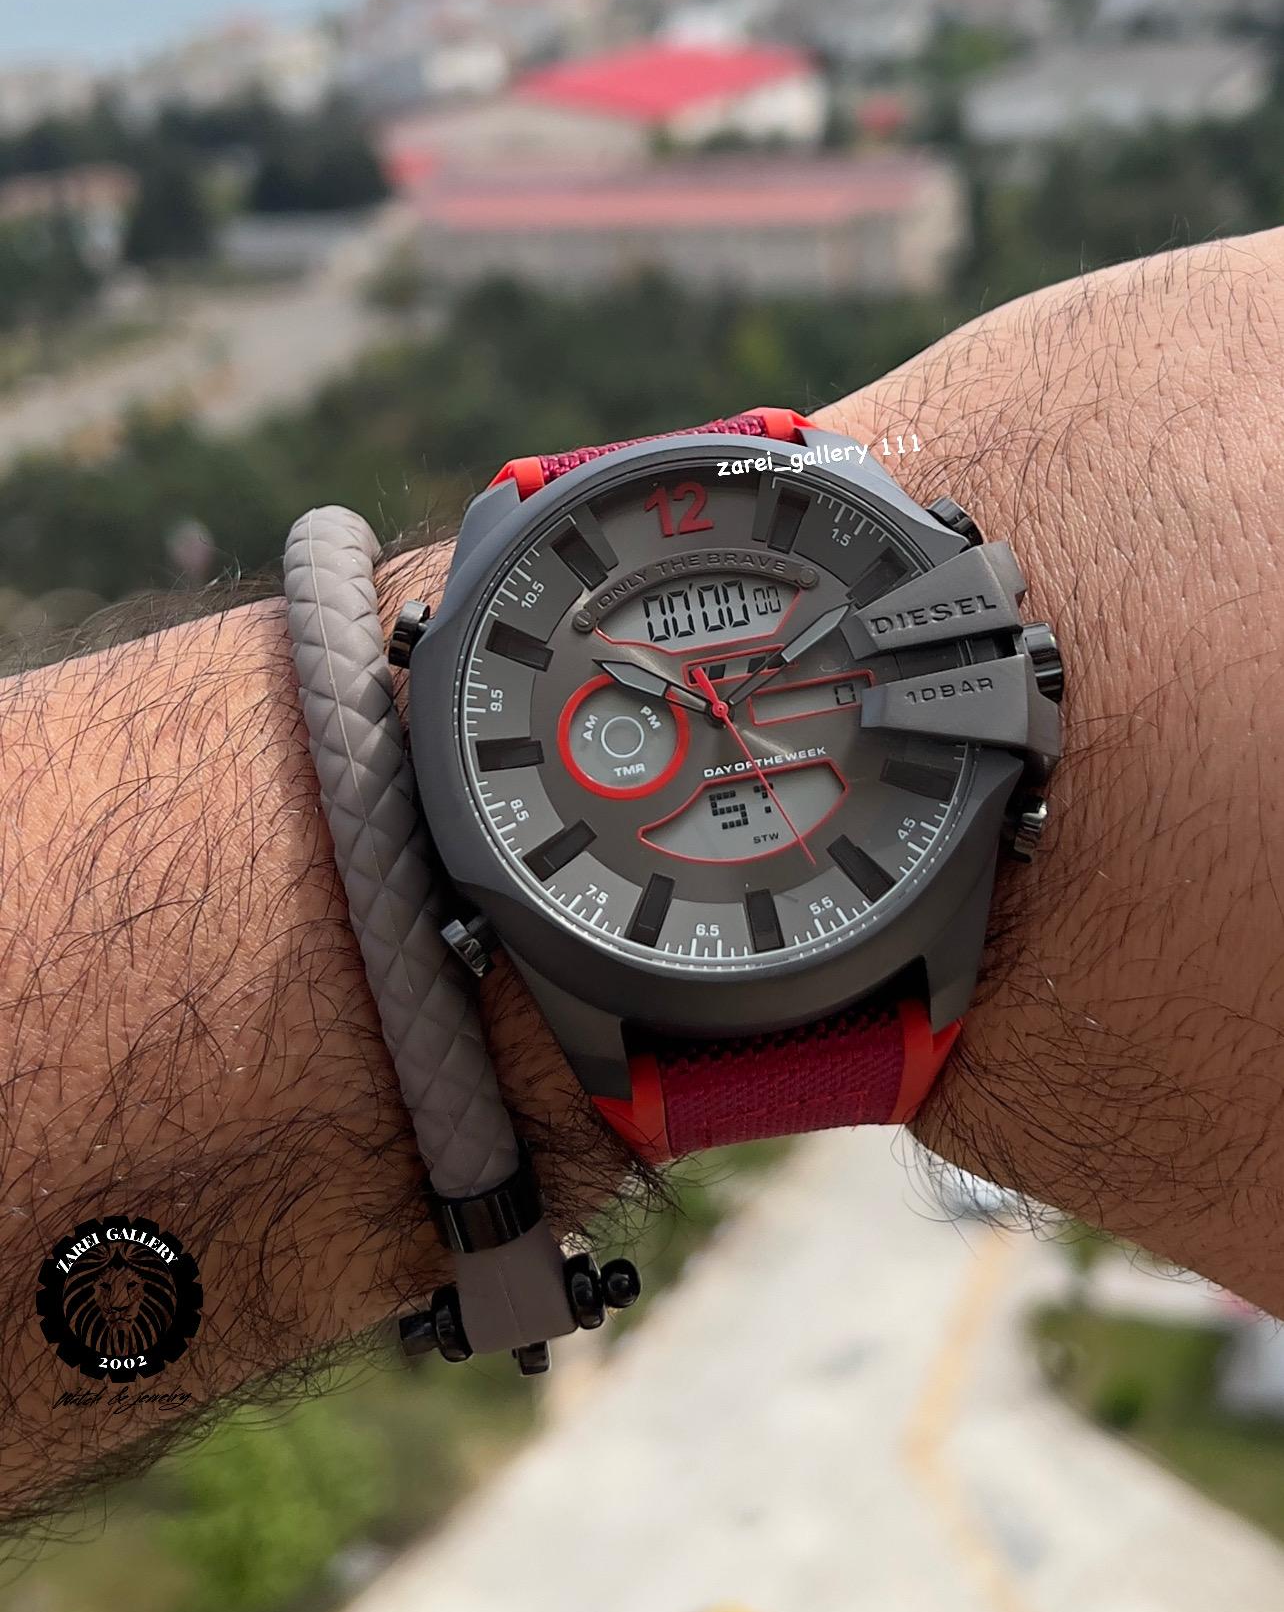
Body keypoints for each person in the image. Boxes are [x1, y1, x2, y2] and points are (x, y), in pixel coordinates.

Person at [2, 228, 1280, 1521]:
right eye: (679, 698)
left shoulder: (859, 604)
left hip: (872, 923)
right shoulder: (509, 741)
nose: (719, 714)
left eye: (743, 690)